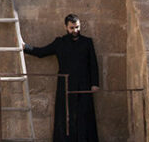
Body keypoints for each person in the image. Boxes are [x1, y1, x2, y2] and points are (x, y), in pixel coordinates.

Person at [23, 13, 99, 141]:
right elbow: (41, 52)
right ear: (66, 27)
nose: (75, 30)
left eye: (77, 27)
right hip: (66, 84)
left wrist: (95, 83)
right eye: (72, 28)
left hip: (84, 85)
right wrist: (25, 47)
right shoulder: (60, 43)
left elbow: (93, 64)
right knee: (65, 115)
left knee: (84, 115)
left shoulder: (87, 42)